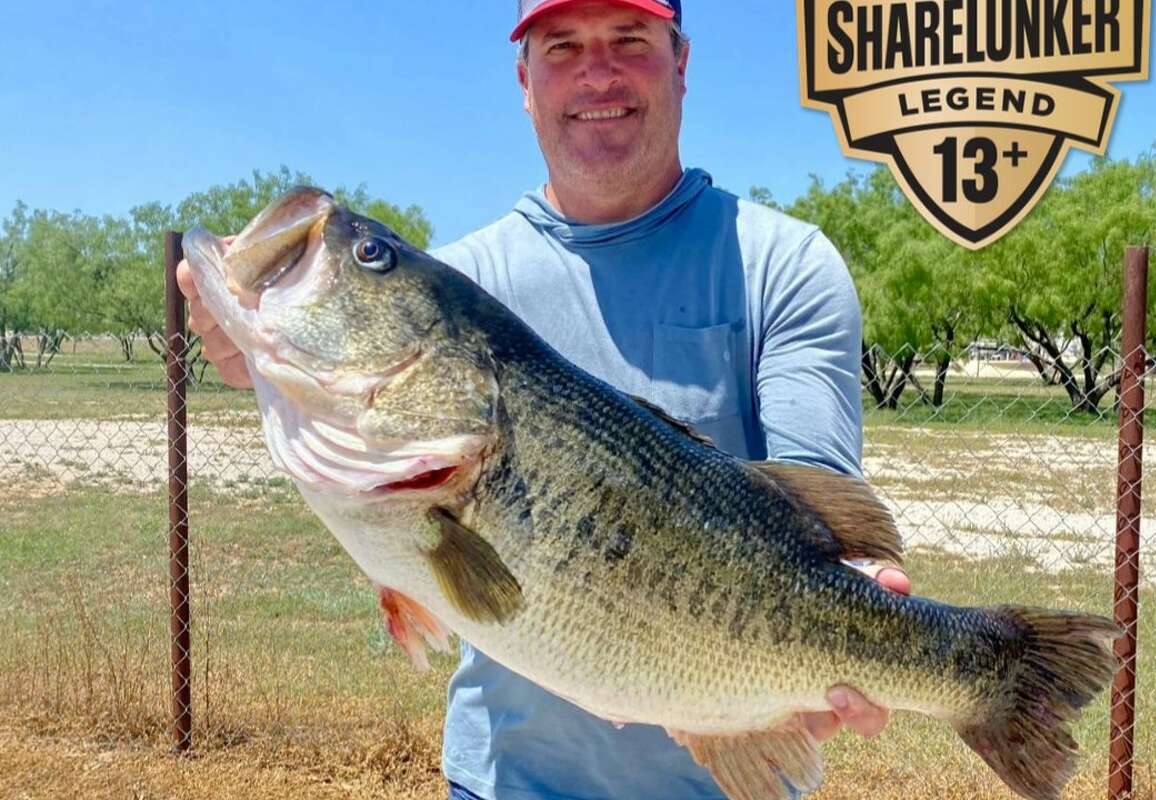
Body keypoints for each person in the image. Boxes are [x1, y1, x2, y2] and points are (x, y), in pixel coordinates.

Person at [178, 1, 913, 797]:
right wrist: (263, 361)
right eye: (563, 47)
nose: (598, 72)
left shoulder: (786, 264)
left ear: (683, 63)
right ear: (525, 81)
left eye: (629, 40)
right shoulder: (469, 280)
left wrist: (869, 607)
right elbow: (391, 503)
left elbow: (824, 515)